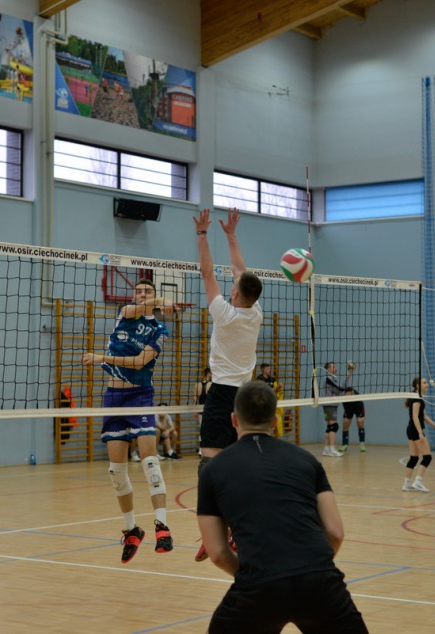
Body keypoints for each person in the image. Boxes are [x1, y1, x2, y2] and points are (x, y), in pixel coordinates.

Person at [197, 380, 369, 633]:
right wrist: (311, 568)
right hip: (319, 581)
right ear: (275, 421)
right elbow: (335, 533)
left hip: (259, 584)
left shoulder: (213, 470)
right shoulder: (307, 460)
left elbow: (218, 554)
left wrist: (256, 574)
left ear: (233, 419)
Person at [82, 279, 178, 563]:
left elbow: (138, 362)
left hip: (140, 396)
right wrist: (160, 300)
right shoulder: (125, 314)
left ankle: (162, 526)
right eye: (138, 291)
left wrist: (100, 357)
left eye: (147, 291)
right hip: (113, 398)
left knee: (150, 461)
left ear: (153, 295)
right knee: (116, 470)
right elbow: (133, 309)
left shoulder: (159, 330)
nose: (142, 295)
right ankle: (131, 529)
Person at [193, 207, 263, 562]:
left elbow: (207, 272)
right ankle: (238, 529)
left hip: (221, 393)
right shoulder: (255, 312)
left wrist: (202, 235)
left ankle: (214, 535)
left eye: (233, 285)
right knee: (240, 465)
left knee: (209, 464)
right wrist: (231, 236)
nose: (232, 283)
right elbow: (240, 271)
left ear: (235, 294)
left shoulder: (225, 314)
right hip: (246, 396)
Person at [403, 377, 435, 493]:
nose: (427, 384)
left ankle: (406, 484)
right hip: (415, 430)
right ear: (417, 386)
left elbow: (424, 416)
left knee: (414, 458)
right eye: (424, 383)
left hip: (411, 429)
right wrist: (420, 432)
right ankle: (418, 482)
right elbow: (415, 416)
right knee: (427, 457)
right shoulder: (417, 399)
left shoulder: (418, 397)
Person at [341, 362, 366, 453]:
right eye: (347, 394)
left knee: (359, 422)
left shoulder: (357, 397)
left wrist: (351, 370)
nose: (348, 395)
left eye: (350, 394)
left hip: (358, 407)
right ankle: (344, 444)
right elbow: (346, 380)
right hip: (348, 409)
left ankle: (362, 444)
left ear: (353, 393)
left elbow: (347, 379)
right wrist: (350, 371)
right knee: (345, 424)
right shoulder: (343, 392)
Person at [321, 362, 344, 457]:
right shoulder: (329, 379)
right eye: (333, 366)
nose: (336, 368)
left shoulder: (333, 378)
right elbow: (338, 390)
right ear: (328, 369)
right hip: (330, 405)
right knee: (334, 426)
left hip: (329, 405)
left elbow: (339, 389)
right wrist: (344, 390)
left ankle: (326, 450)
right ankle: (332, 449)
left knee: (330, 427)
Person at [255, 363, 285, 437]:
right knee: (264, 422)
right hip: (263, 404)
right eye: (267, 369)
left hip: (271, 402)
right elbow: (261, 391)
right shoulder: (259, 379)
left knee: (273, 421)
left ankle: (270, 437)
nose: (269, 370)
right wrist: (273, 389)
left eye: (269, 368)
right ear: (263, 370)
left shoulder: (272, 379)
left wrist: (279, 387)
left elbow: (276, 390)